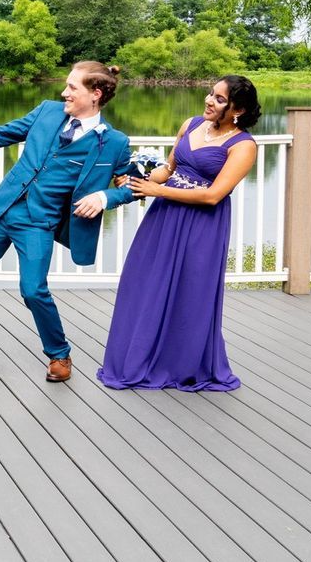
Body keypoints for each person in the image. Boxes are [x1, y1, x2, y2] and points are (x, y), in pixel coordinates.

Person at [0, 61, 136, 382]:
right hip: (3, 208)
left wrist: (104, 198)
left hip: (39, 222)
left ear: (95, 94)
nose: (64, 92)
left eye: (73, 87)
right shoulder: (47, 111)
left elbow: (131, 187)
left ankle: (59, 354)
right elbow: (4, 133)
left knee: (32, 290)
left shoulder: (114, 142)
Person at [97, 75, 260, 392]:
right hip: (164, 218)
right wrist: (137, 180)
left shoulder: (243, 145)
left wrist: (158, 191)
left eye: (220, 99)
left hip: (202, 226)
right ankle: (139, 358)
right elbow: (168, 171)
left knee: (190, 292)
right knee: (144, 281)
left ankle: (182, 365)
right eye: (210, 94)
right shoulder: (191, 124)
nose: (209, 101)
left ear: (238, 109)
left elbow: (214, 195)